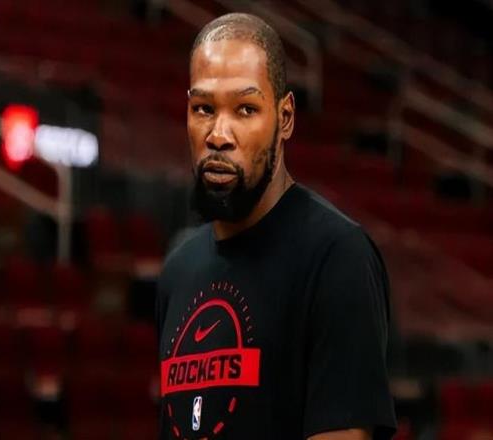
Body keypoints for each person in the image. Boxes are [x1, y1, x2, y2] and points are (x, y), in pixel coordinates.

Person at [155, 12, 397, 440]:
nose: (219, 134)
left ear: (285, 118)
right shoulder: (178, 270)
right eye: (203, 108)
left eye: (246, 109)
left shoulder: (336, 256)